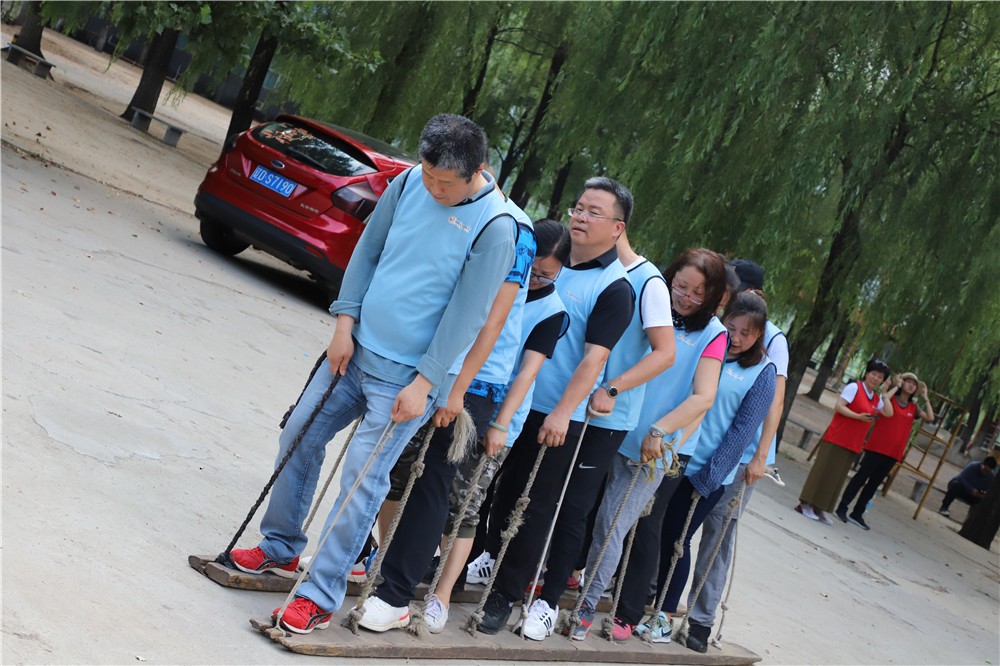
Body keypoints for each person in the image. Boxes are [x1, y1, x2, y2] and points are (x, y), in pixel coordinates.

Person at [228, 114, 517, 635]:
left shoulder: (496, 227)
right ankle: (281, 545)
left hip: (406, 380)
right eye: (428, 174)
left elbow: (468, 314)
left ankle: (319, 596)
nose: (433, 188)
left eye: (444, 183)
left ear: (477, 171)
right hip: (355, 350)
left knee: (361, 481)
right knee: (298, 433)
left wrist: (426, 383)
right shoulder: (407, 183)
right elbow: (368, 250)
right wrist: (344, 322)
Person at [354, 187, 535, 633]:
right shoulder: (449, 203)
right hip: (430, 362)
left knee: (433, 477)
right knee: (398, 472)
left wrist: (459, 386)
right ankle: (381, 568)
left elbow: (493, 317)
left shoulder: (514, 227)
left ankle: (396, 597)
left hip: (472, 376)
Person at [475, 177, 636, 637]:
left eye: (594, 212)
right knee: (496, 489)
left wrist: (564, 412)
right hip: (511, 399)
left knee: (534, 504)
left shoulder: (614, 286)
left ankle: (507, 595)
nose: (581, 217)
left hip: (556, 414)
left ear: (618, 227)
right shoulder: (550, 260)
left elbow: (594, 359)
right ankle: (486, 559)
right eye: (579, 207)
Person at [568, 248, 727, 642]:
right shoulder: (649, 303)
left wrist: (661, 431)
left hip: (651, 447)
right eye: (681, 286)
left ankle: (588, 606)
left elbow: (703, 397)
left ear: (712, 297)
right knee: (578, 509)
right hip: (609, 423)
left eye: (699, 293)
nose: (686, 298)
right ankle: (556, 580)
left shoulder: (714, 334)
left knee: (613, 524)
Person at [422, 220, 571, 633]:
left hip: (499, 414)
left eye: (546, 275)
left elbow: (527, 373)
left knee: (466, 503)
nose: (535, 279)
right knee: (427, 484)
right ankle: (415, 563)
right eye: (532, 270)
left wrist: (501, 424)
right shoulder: (500, 276)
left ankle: (442, 595)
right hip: (455, 389)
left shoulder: (553, 312)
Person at [632, 291, 776, 645]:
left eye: (746, 333)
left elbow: (743, 430)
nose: (736, 338)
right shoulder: (712, 347)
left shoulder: (762, 372)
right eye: (732, 328)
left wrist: (709, 476)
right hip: (673, 457)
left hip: (707, 471)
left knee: (677, 539)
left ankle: (664, 616)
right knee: (651, 528)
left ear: (759, 335)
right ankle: (635, 598)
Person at [683, 258, 789, 653]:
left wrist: (761, 456)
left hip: (742, 458)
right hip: (700, 447)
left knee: (718, 535)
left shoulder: (772, 339)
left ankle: (701, 619)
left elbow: (774, 400)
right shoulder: (720, 327)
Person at [796, 358, 895, 525]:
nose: (876, 378)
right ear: (867, 373)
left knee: (836, 478)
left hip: (853, 442)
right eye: (874, 374)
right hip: (837, 437)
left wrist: (885, 394)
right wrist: (857, 417)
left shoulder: (875, 397)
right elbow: (839, 406)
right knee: (823, 471)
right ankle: (805, 504)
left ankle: (820, 508)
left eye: (880, 377)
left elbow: (889, 413)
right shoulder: (854, 387)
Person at [835, 372, 935, 530]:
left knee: (874, 484)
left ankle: (857, 513)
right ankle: (842, 507)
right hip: (877, 447)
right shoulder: (889, 399)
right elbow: (884, 398)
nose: (911, 385)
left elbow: (930, 418)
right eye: (908, 382)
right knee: (861, 478)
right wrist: (895, 386)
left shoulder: (914, 408)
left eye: (914, 384)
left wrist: (926, 397)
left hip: (894, 452)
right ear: (901, 383)